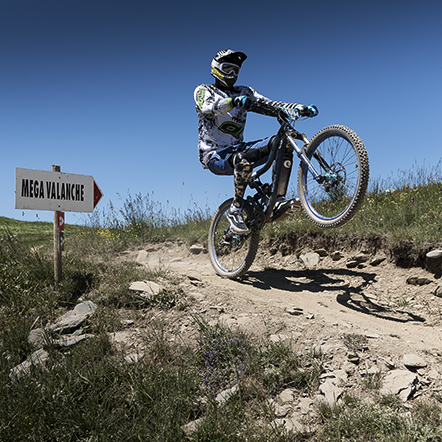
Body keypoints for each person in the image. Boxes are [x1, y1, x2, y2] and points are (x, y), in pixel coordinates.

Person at [194, 49, 318, 234]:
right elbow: (208, 108)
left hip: (239, 147)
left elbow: (270, 104)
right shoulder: (204, 90)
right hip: (214, 155)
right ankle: (235, 210)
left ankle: (277, 200)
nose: (232, 74)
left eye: (235, 70)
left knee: (282, 142)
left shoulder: (244, 91)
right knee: (241, 159)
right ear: (216, 68)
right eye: (227, 68)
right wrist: (234, 102)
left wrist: (298, 107)